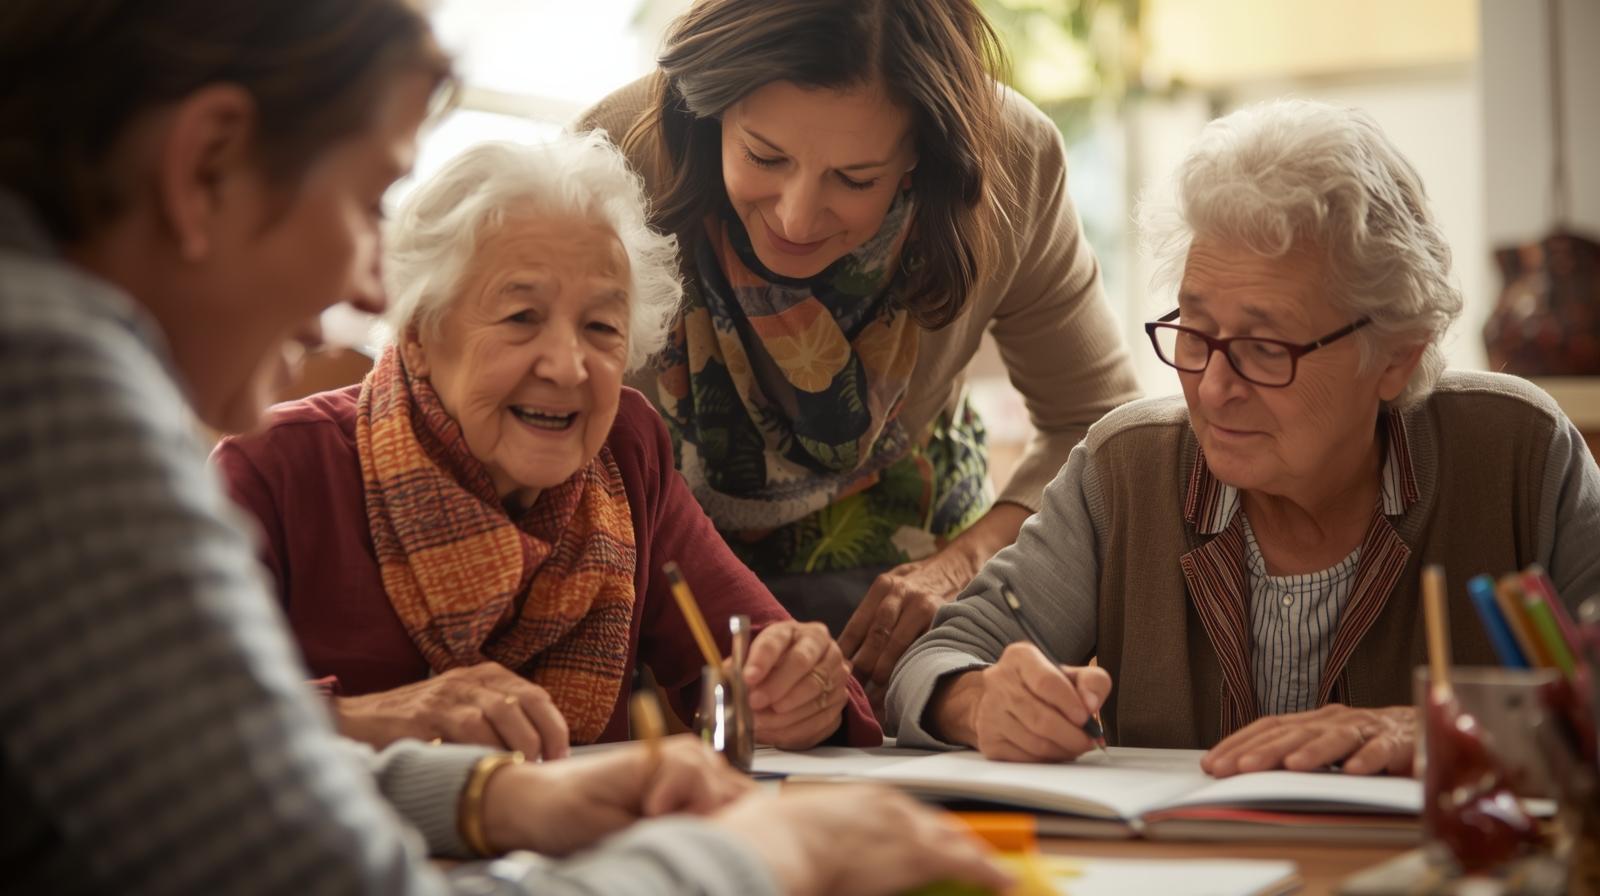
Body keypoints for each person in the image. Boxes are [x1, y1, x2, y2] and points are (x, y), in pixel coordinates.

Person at [0, 3, 1014, 894]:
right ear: (203, 164)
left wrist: (495, 800)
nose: (366, 289)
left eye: (602, 330)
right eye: (364, 202)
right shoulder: (55, 394)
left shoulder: (51, 361)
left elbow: (212, 767)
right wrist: (771, 856)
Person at [887, 99, 1600, 776]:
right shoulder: (1126, 471)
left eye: (1265, 348)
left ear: (1397, 353)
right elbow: (941, 660)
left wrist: (1444, 731)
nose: (1213, 386)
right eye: (1194, 332)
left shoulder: (1519, 456)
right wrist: (982, 702)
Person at [213, 134, 878, 755]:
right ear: (419, 333)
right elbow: (164, 719)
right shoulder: (274, 469)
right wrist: (371, 719)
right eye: (521, 317)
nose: (567, 366)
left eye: (600, 326)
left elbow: (762, 652)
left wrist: (797, 688)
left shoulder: (624, 452)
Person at [578, 0, 1142, 695]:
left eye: (855, 179)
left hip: (910, 630)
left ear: (922, 156)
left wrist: (960, 568)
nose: (795, 215)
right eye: (764, 156)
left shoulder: (1013, 163)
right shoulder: (611, 157)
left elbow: (1099, 431)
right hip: (664, 601)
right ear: (711, 112)